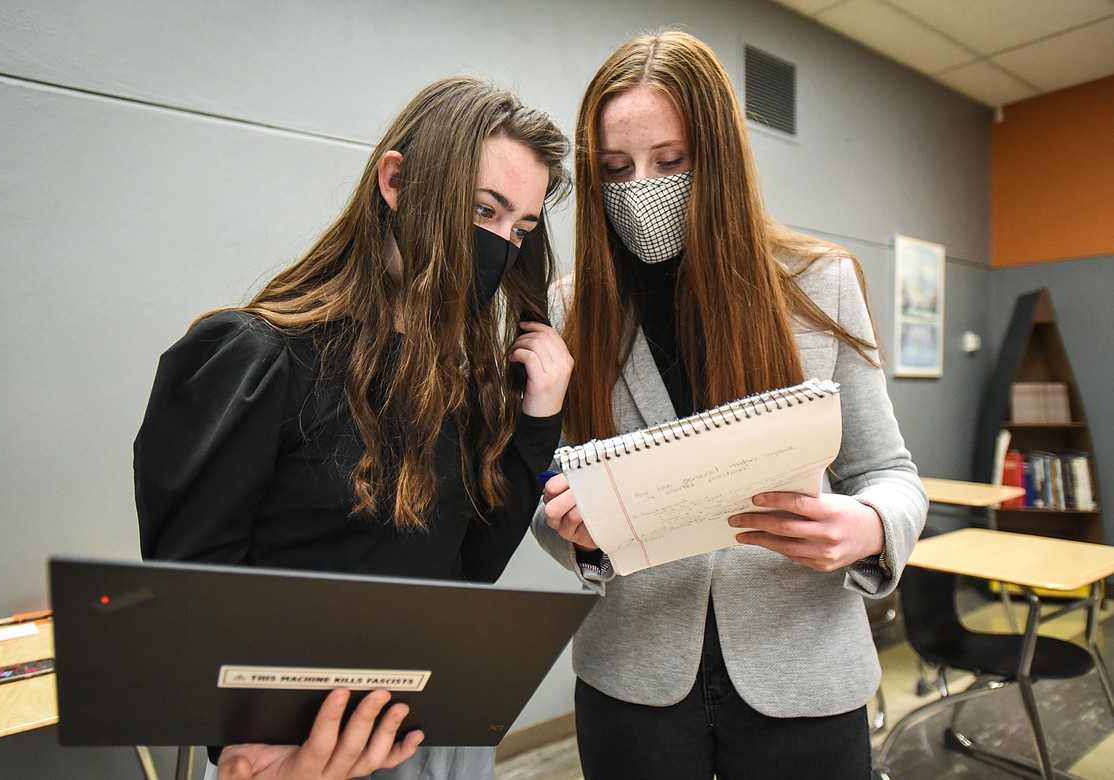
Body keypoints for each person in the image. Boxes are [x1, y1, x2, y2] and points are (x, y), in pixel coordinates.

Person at [134, 75, 573, 780]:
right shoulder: (254, 357)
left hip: (430, 736)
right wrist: (254, 755)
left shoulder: (457, 382)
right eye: (482, 211)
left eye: (518, 229)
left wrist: (537, 419)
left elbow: (469, 572)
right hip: (290, 753)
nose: (498, 245)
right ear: (396, 182)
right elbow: (193, 600)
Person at [533, 30, 928, 779]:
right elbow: (545, 492)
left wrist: (871, 526)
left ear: (719, 157)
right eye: (615, 170)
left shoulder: (819, 283)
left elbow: (892, 472)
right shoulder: (569, 308)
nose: (640, 187)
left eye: (671, 162)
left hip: (803, 672)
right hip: (635, 675)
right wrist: (576, 534)